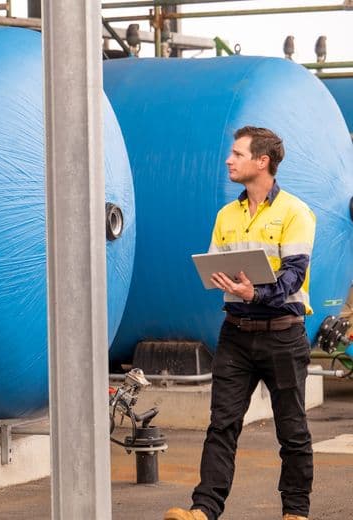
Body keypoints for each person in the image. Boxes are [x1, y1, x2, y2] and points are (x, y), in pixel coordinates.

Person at [164, 126, 316, 520]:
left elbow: (295, 275)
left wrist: (256, 294)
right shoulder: (226, 215)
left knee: (292, 431)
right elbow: (219, 264)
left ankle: (295, 513)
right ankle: (204, 510)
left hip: (283, 335)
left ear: (262, 161)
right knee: (222, 426)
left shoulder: (295, 212)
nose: (229, 160)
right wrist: (225, 281)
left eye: (237, 154)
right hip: (236, 333)